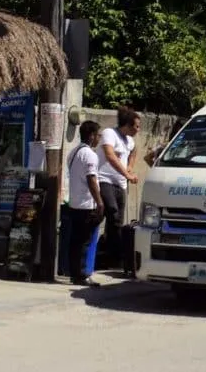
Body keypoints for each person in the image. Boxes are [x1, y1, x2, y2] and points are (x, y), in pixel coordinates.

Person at [97, 107, 140, 271]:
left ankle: (113, 256)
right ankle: (103, 248)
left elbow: (134, 152)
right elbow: (110, 156)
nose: (138, 129)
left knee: (117, 221)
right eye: (136, 126)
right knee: (111, 210)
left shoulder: (130, 141)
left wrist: (129, 167)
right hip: (104, 178)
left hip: (120, 183)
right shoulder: (110, 133)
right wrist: (127, 174)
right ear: (127, 125)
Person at [67, 121, 104, 287]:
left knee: (75, 241)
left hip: (74, 203)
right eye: (98, 135)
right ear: (91, 136)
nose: (99, 138)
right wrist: (100, 202)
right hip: (86, 205)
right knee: (84, 241)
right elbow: (91, 179)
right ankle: (81, 274)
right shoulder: (90, 155)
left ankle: (75, 274)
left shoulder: (73, 152)